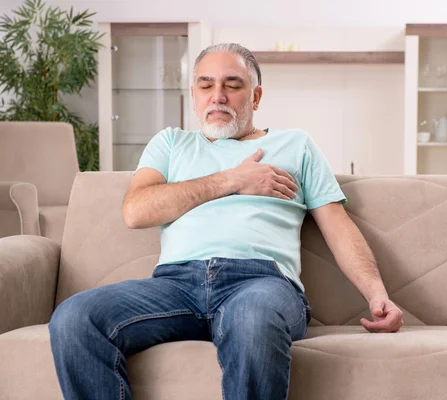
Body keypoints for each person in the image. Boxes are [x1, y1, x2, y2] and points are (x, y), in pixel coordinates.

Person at [48, 43, 404, 400]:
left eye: (232, 85)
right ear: (193, 94)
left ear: (256, 95)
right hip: (176, 286)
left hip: (261, 283)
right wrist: (232, 181)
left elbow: (338, 226)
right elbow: (136, 210)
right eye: (206, 85)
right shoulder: (171, 144)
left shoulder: (297, 145)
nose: (217, 96)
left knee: (251, 318)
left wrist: (378, 296)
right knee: (75, 317)